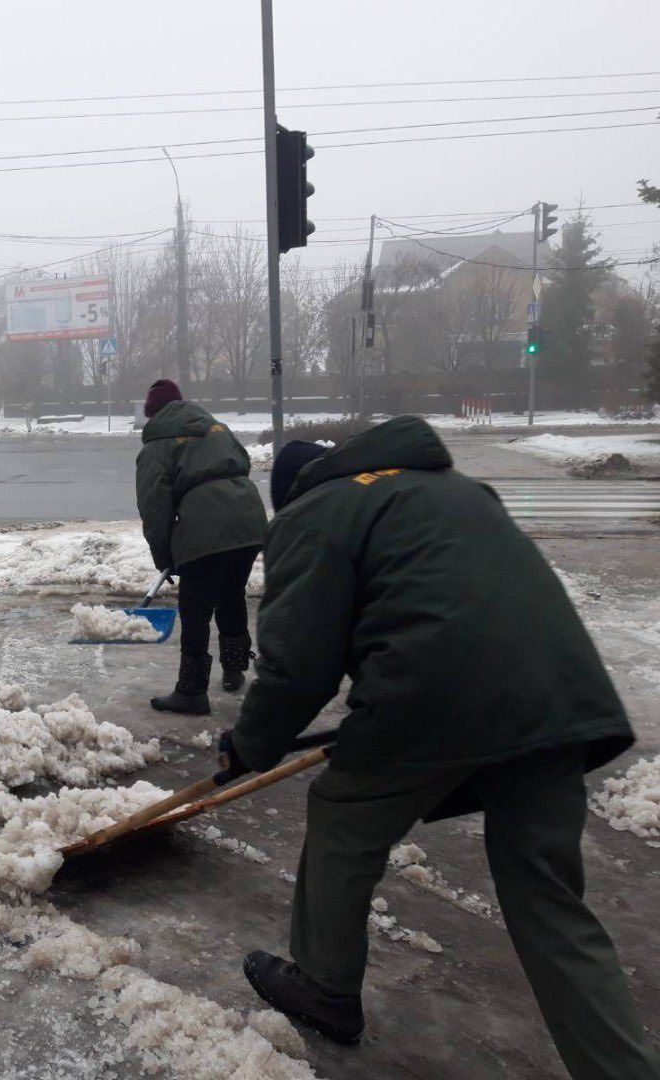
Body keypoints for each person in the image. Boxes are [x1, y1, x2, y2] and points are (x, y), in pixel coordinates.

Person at [216, 416, 658, 1079]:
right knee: (547, 896)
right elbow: (452, 601)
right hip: (558, 692)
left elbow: (299, 668)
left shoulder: (315, 512)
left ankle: (325, 987)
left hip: (440, 689)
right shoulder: (453, 489)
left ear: (292, 492)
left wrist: (249, 745)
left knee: (342, 813)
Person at [135, 379, 268, 714]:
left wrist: (164, 556)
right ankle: (234, 669)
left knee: (195, 608)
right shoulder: (216, 427)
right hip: (249, 520)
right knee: (231, 593)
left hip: (207, 526)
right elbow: (243, 460)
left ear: (154, 414)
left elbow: (154, 507)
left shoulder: (157, 446)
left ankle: (192, 691)